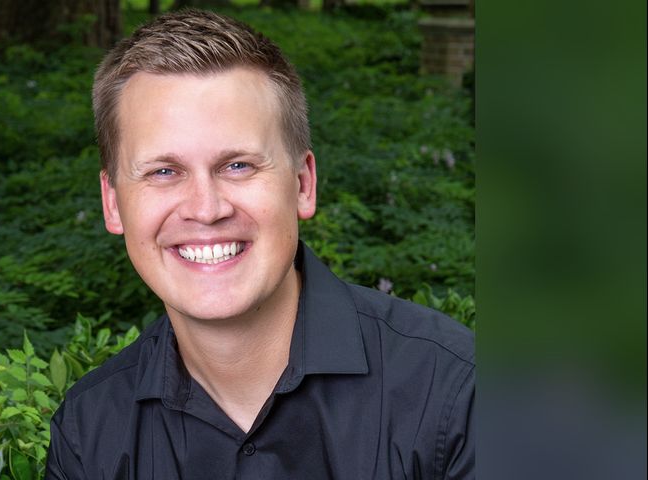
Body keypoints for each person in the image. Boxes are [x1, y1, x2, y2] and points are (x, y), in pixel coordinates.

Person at [45, 9, 474, 479]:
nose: (206, 209)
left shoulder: (456, 394)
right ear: (112, 203)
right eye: (163, 171)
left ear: (303, 184)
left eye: (238, 166)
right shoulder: (88, 434)